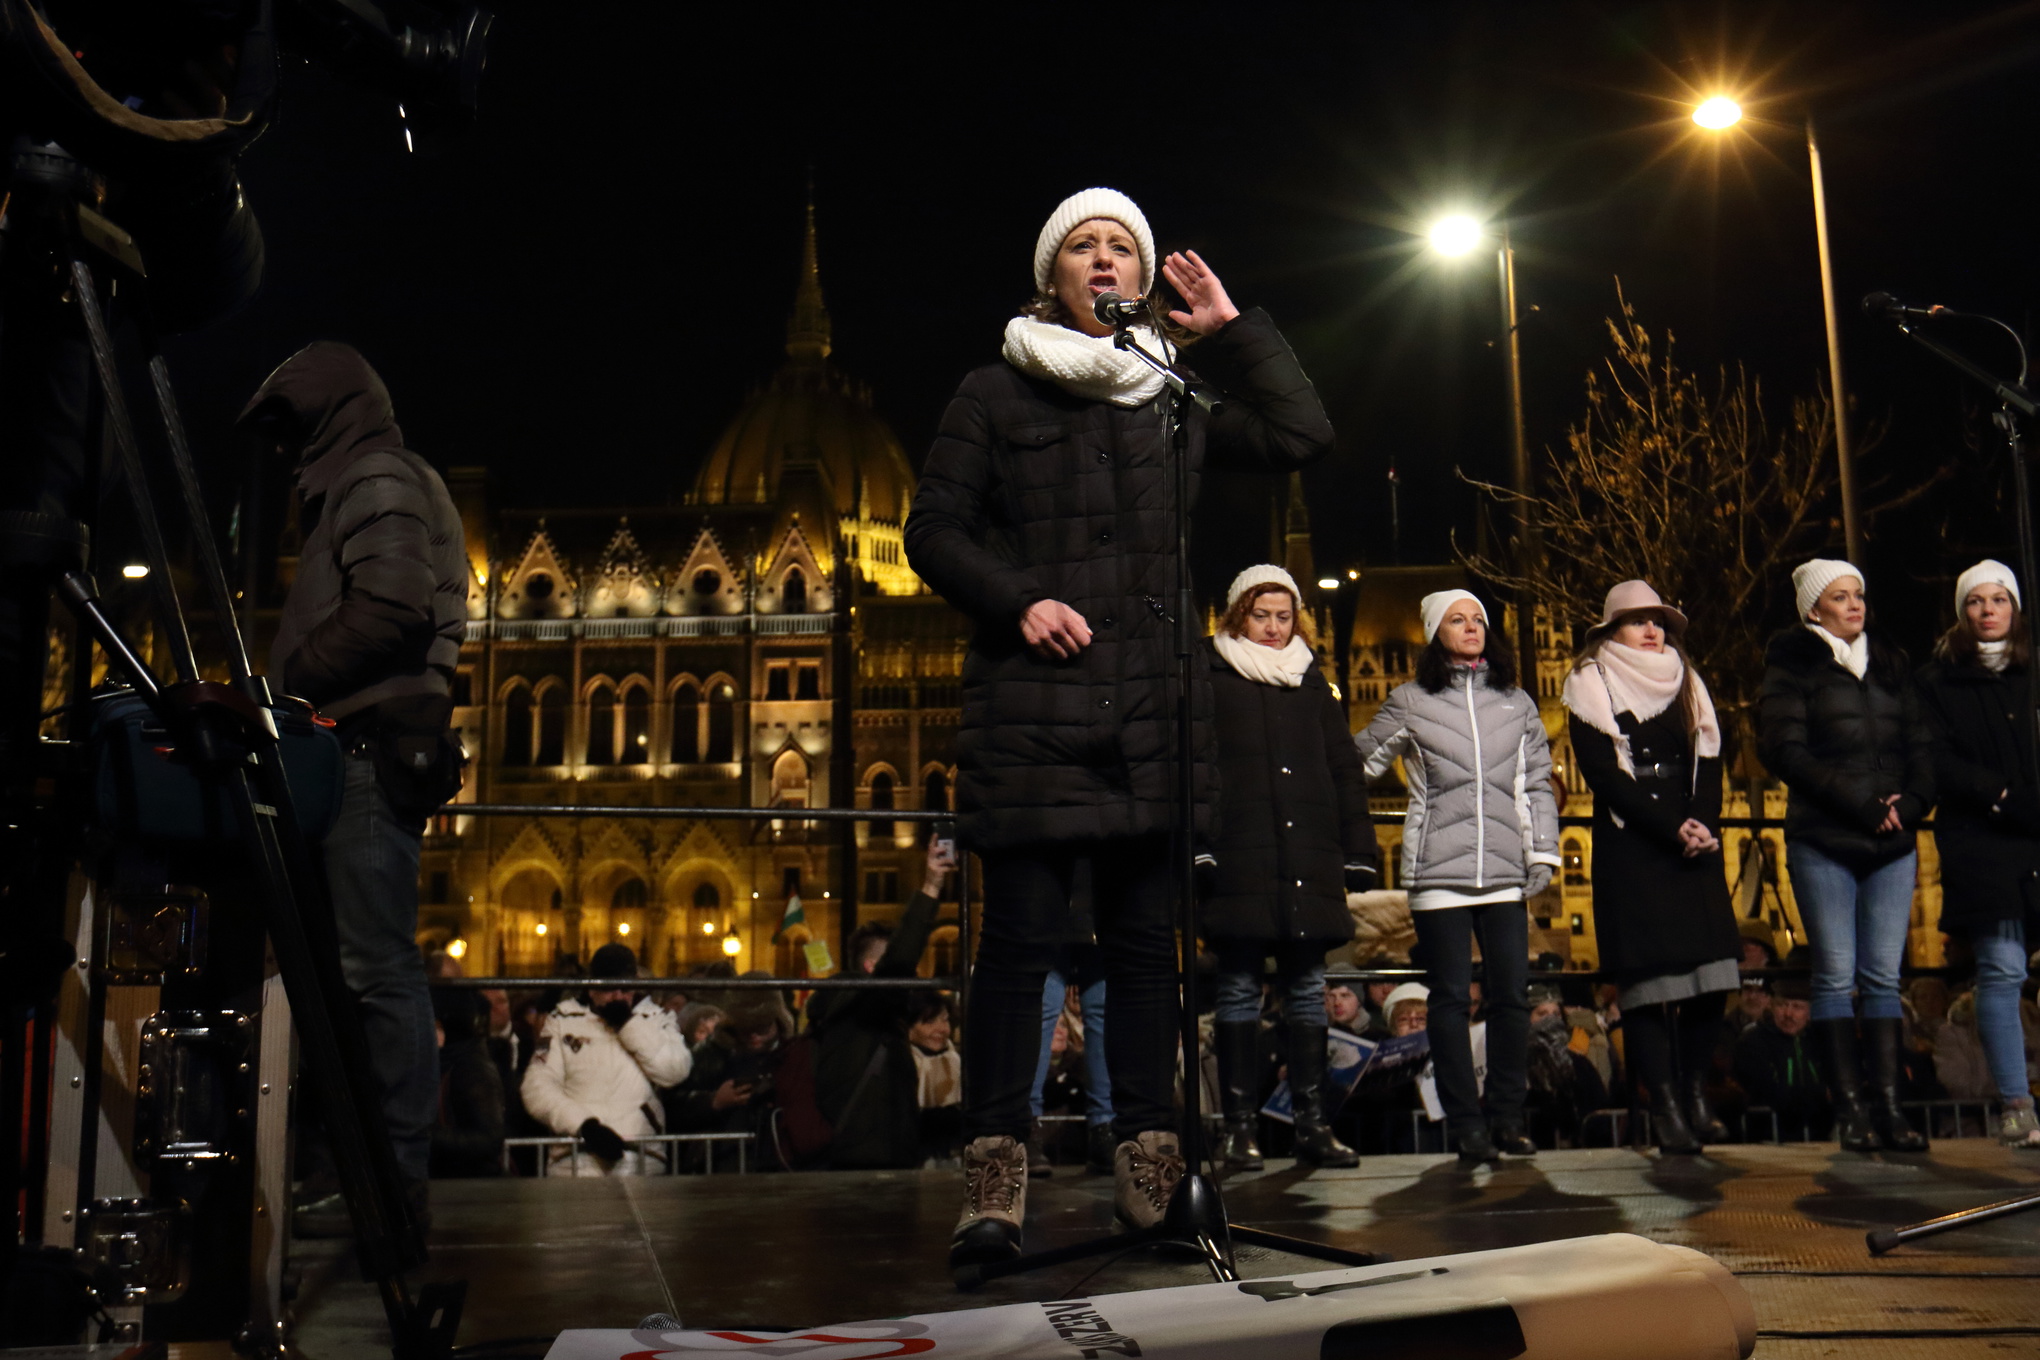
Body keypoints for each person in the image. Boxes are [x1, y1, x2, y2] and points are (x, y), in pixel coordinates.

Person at [905, 187, 1335, 1265]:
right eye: (1084, 247)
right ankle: (994, 1180)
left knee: (1148, 950)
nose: (1105, 260)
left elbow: (1299, 431)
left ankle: (1151, 1173)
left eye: (1123, 249)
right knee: (1017, 951)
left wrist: (1232, 329)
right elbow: (932, 528)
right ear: (1051, 274)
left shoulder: (1172, 398)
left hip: (1154, 711)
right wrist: (1019, 600)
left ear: (1144, 281)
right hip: (1032, 706)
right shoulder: (992, 390)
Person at [245, 343, 468, 1226]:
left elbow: (390, 606)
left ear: (330, 417)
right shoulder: (362, 482)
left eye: (294, 431)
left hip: (369, 755)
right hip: (351, 752)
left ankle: (392, 1186)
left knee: (377, 970)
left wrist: (282, 685)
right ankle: (359, 1172)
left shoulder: (375, 474)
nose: (286, 454)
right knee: (348, 971)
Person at [1355, 590, 1560, 1163]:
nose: (1470, 627)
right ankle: (1466, 1124)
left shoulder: (1515, 702)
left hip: (1502, 870)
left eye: (1477, 619)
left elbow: (1537, 782)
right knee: (1449, 999)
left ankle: (1507, 1119)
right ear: (1433, 633)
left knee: (1511, 998)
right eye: (1456, 620)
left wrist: (1542, 852)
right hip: (1437, 872)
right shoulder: (1410, 700)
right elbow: (1357, 764)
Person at [1203, 564, 1379, 1171]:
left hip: (1307, 856)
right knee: (1238, 988)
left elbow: (1343, 770)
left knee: (1308, 988)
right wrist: (1201, 846)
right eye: (1261, 615)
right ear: (1237, 615)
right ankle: (1239, 1130)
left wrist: (1359, 850)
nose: (1274, 628)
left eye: (1283, 616)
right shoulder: (1211, 675)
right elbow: (1197, 771)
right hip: (1240, 855)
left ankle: (1311, 1123)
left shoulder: (1312, 682)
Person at [1758, 558, 1935, 1152]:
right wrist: (1861, 804)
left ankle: (1890, 1109)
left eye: (1859, 593)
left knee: (1884, 978)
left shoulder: (1889, 663)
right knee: (1835, 977)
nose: (1855, 604)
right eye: (1840, 596)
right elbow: (1784, 750)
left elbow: (1922, 745)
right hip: (1825, 839)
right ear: (1814, 609)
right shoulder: (1792, 663)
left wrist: (1908, 806)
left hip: (1891, 839)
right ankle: (1851, 1111)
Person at [1562, 581, 1742, 1155]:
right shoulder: (1590, 684)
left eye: (1658, 621)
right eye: (1638, 621)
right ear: (1612, 630)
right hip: (1635, 843)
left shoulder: (1687, 680)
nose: (1652, 630)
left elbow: (1708, 754)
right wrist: (1671, 829)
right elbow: (1604, 774)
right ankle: (1664, 1106)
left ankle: (1693, 1095)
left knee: (1711, 979)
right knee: (1647, 986)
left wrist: (1702, 821)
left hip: (1693, 839)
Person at [1916, 559, 2040, 1148]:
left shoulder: (2031, 676)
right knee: (2001, 969)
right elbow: (1938, 759)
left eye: (2000, 600)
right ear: (1962, 612)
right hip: (1984, 844)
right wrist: (2001, 796)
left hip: (2033, 837)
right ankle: (2017, 1102)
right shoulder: (1939, 682)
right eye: (1976, 601)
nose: (1989, 610)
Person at [804, 840, 956, 1169]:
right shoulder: (863, 1009)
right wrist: (931, 885)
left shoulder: (863, 1018)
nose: (913, 978)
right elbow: (898, 964)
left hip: (873, 1159)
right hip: (867, 1169)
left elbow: (893, 1112)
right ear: (873, 969)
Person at [520, 943, 692, 1175]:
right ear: (592, 988)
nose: (619, 997)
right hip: (575, 1156)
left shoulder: (655, 1020)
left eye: (626, 989)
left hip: (640, 1154)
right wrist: (584, 1125)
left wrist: (629, 1026)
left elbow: (674, 1071)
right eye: (610, 989)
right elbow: (537, 1085)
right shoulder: (561, 1021)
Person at [1027, 947, 1115, 1178]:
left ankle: (1103, 1127)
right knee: (1045, 1002)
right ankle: (1028, 1125)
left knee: (1101, 1005)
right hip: (1051, 920)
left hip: (1097, 918)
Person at [1733, 978, 1829, 1140]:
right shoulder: (1753, 1040)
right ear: (1771, 1006)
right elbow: (1766, 1091)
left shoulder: (1821, 1041)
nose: (1788, 1014)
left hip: (1821, 1134)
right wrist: (1820, 1096)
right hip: (1768, 1135)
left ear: (1810, 1013)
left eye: (1797, 1007)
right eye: (1782, 1005)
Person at [430, 988, 505, 1178]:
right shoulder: (448, 1062)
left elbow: (490, 1140)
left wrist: (428, 1135)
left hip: (471, 1188)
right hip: (455, 1185)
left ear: (442, 1027)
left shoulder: (471, 1069)